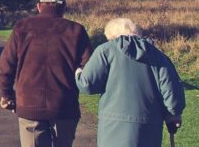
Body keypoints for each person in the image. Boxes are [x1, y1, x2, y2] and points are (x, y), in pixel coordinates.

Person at [0, 0, 92, 147]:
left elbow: (6, 65)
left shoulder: (22, 27)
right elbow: (88, 68)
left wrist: (7, 95)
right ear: (63, 7)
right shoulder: (76, 30)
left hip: (29, 104)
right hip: (64, 105)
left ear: (39, 6)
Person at [75, 18, 186, 147]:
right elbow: (172, 94)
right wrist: (173, 114)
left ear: (111, 36)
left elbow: (87, 85)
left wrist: (78, 72)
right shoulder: (158, 56)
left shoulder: (105, 50)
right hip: (150, 124)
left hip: (113, 124)